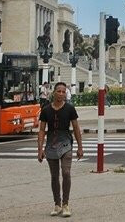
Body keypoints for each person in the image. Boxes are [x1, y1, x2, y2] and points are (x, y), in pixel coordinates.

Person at [38, 82, 84, 218]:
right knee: (54, 176)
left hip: (66, 144)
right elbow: (41, 130)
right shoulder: (45, 110)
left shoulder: (70, 109)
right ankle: (57, 204)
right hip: (51, 144)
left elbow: (76, 128)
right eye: (59, 91)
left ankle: (66, 204)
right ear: (54, 93)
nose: (61, 94)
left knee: (66, 172)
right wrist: (40, 149)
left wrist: (80, 147)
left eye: (64, 92)